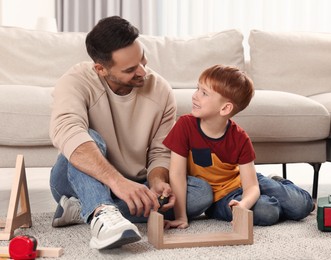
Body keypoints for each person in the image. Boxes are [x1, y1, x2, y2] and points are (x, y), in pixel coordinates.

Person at [49, 16, 212, 250]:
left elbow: (160, 151)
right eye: (130, 69)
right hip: (73, 178)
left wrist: (156, 181)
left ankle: (82, 209)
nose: (143, 72)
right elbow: (68, 131)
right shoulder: (75, 81)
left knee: (201, 194)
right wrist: (118, 183)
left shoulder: (161, 90)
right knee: (88, 138)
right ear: (101, 69)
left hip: (135, 181)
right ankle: (102, 213)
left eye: (143, 60)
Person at [163, 64, 314, 229]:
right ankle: (275, 203)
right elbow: (176, 174)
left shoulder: (240, 138)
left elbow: (251, 186)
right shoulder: (185, 125)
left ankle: (279, 183)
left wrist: (245, 203)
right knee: (268, 212)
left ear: (225, 108)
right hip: (219, 199)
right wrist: (181, 217)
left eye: (204, 93)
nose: (195, 96)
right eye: (197, 89)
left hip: (244, 181)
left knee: (302, 206)